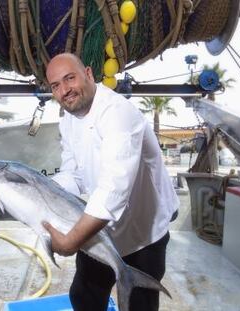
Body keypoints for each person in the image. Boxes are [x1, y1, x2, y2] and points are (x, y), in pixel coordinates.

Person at [42, 53, 179, 311]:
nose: (64, 90)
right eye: (55, 86)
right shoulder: (68, 121)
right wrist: (42, 193)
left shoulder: (118, 112)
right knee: (84, 298)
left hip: (144, 232)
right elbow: (73, 175)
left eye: (69, 78)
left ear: (89, 74)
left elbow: (114, 189)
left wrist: (71, 240)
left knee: (140, 305)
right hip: (101, 229)